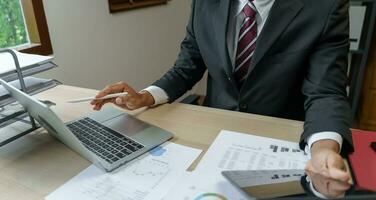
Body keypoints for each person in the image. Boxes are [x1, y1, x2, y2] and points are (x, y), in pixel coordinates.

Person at [92, 0, 353, 183]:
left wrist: (322, 150)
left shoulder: (325, 7)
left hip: (280, 137)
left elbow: (326, 91)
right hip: (215, 136)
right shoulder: (205, 3)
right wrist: (146, 96)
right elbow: (188, 65)